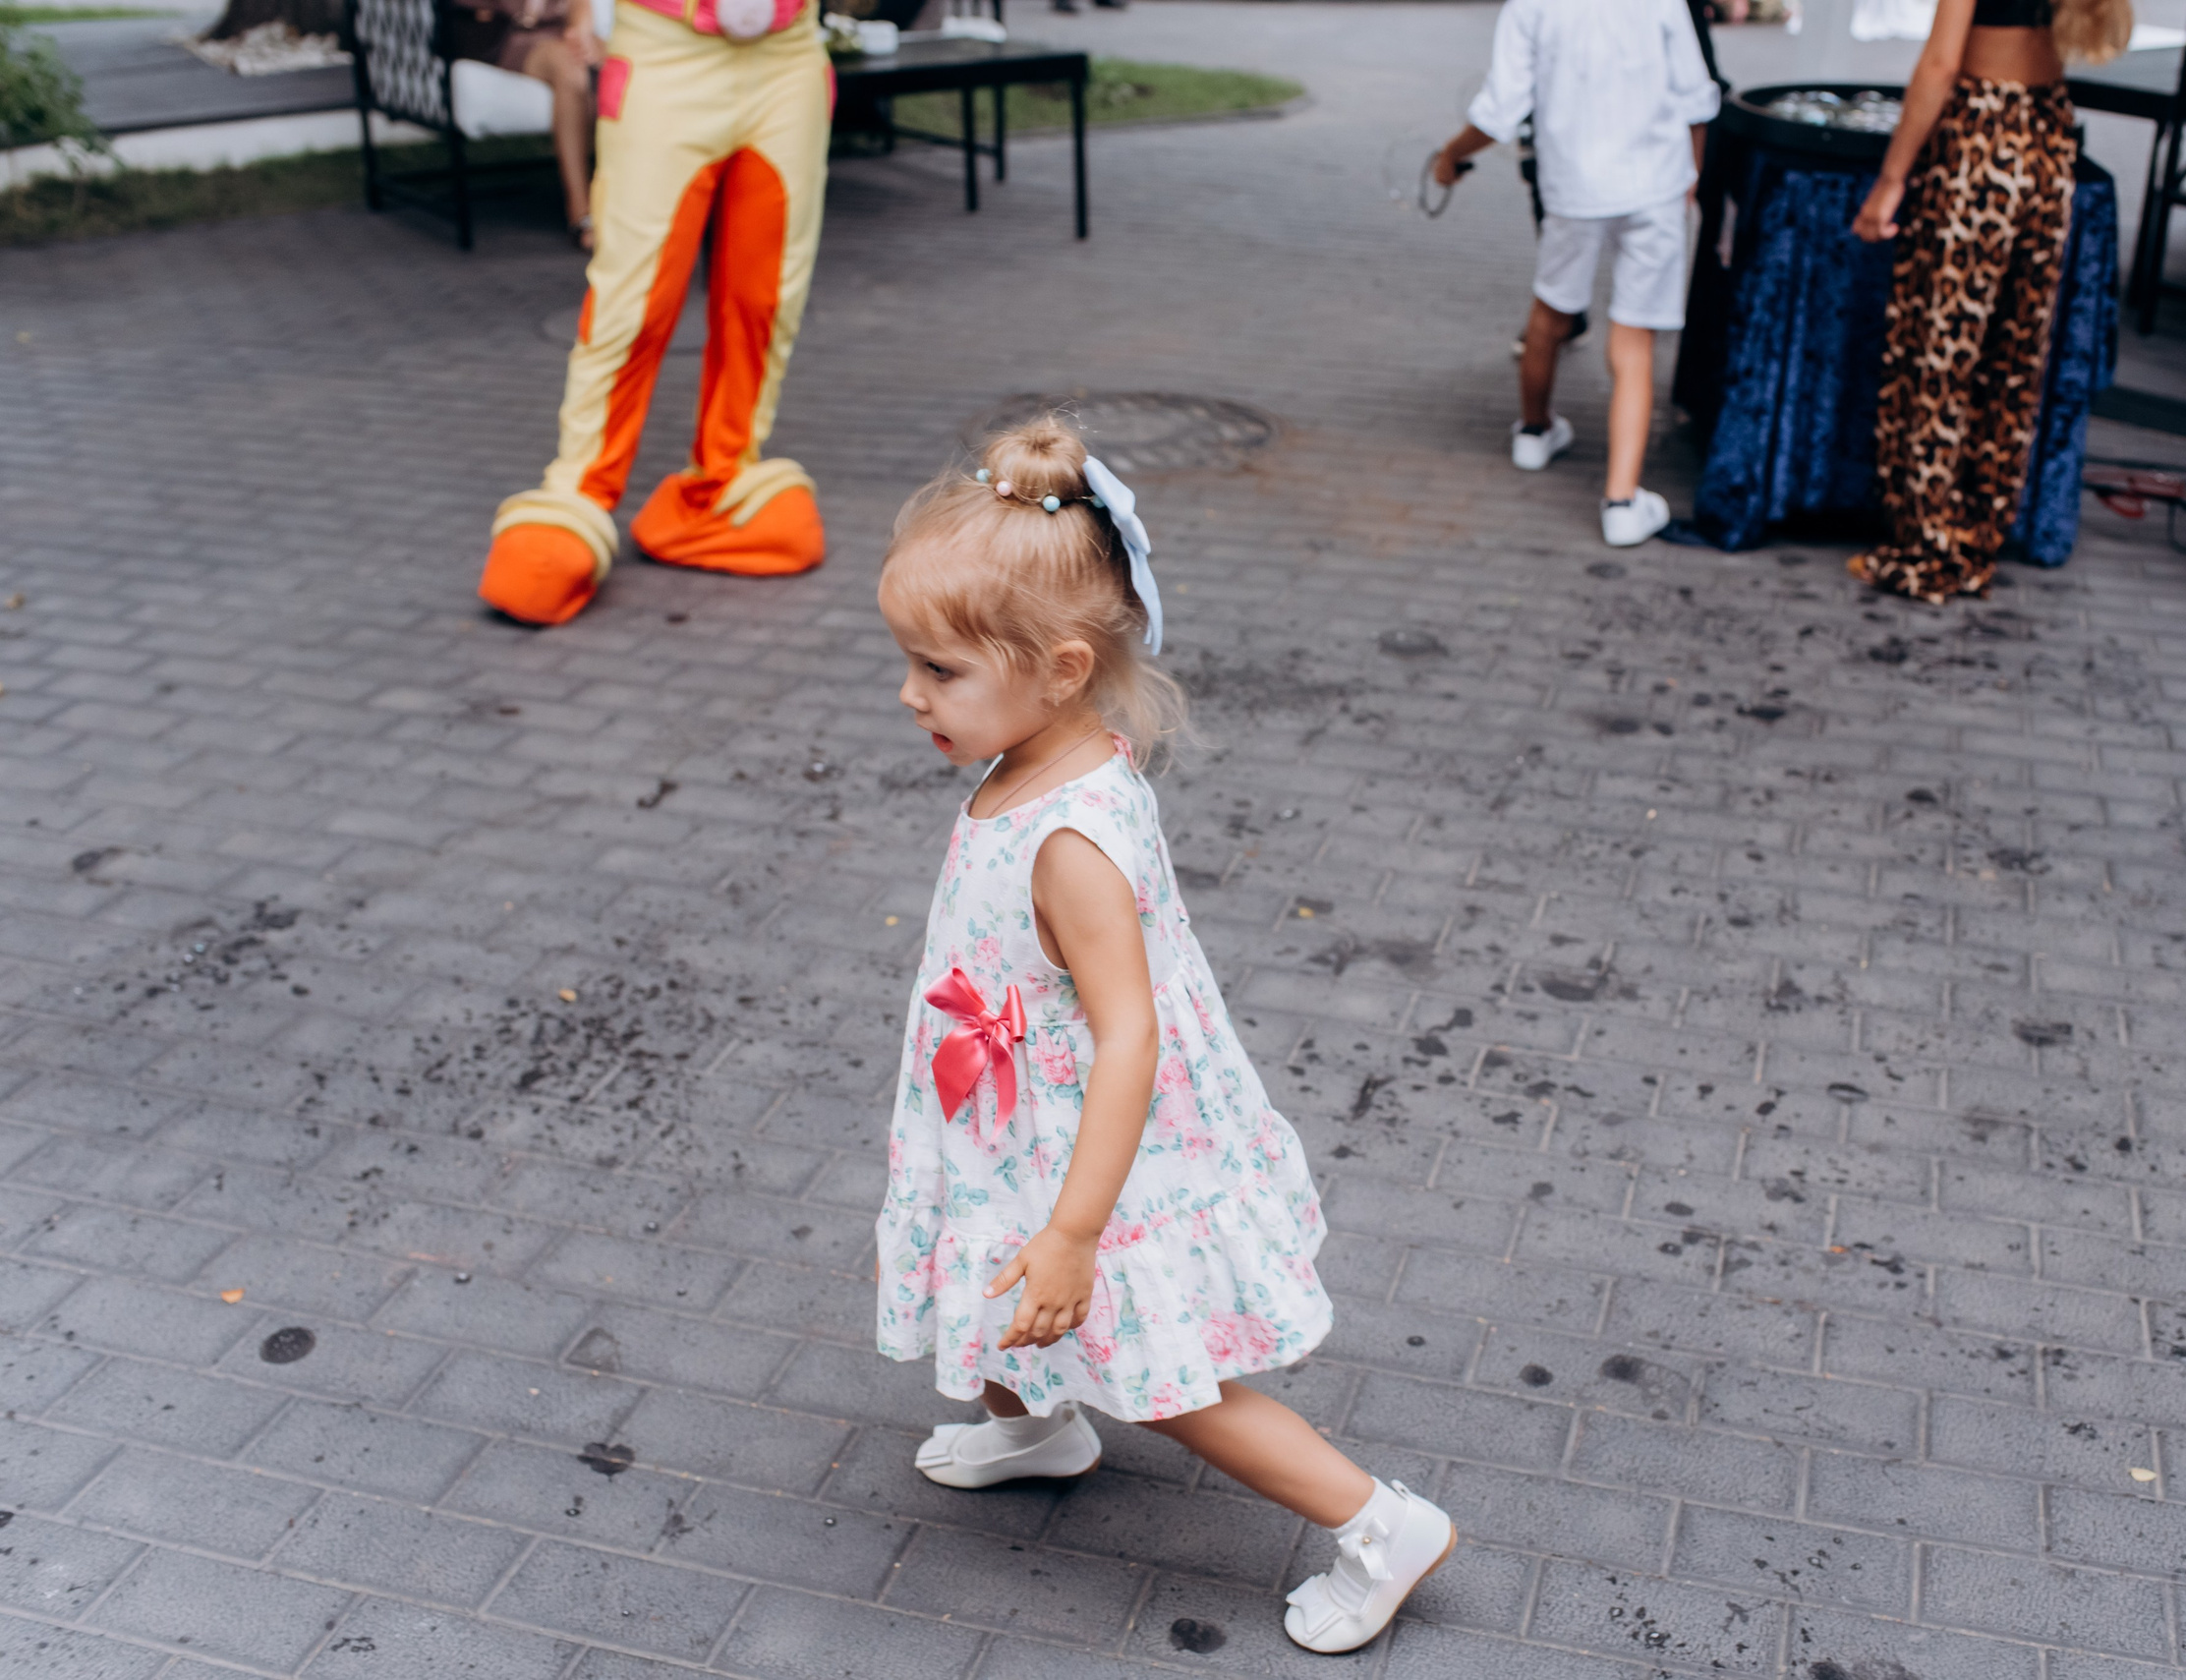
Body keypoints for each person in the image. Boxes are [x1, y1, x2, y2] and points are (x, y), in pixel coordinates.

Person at [873, 418, 1458, 1656]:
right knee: (990, 1267)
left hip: (1091, 1144)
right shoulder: (1042, 753)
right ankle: (1038, 1426)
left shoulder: (1069, 839)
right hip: (1015, 1115)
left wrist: (1077, 1230)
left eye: (939, 669)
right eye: (908, 661)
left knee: (1157, 1371)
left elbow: (1128, 1033)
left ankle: (1376, 1521)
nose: (910, 692)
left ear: (1062, 667)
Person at [474, 0, 834, 626]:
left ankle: (724, 478)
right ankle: (579, 490)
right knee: (634, 300)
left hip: (789, 59)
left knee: (767, 294)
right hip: (667, 55)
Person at [1848, 0, 2129, 602]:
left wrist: (1891, 178)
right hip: (2047, 133)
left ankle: (1927, 543)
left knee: (1940, 353)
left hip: (1978, 138)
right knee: (2012, 358)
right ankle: (1976, 535)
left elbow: (1941, 65)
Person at [1432, 0, 1720, 547]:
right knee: (1633, 341)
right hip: (1655, 182)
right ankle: (1621, 502)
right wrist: (1693, 171)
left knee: (1551, 310)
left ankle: (1534, 432)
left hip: (1573, 184)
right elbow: (1695, 95)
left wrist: (1451, 155)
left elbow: (1500, 108)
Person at [446, 0, 600, 247]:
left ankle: (632, 204)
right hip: (517, 38)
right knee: (569, 65)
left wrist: (580, 30)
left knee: (621, 60)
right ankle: (581, 211)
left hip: (566, 34)